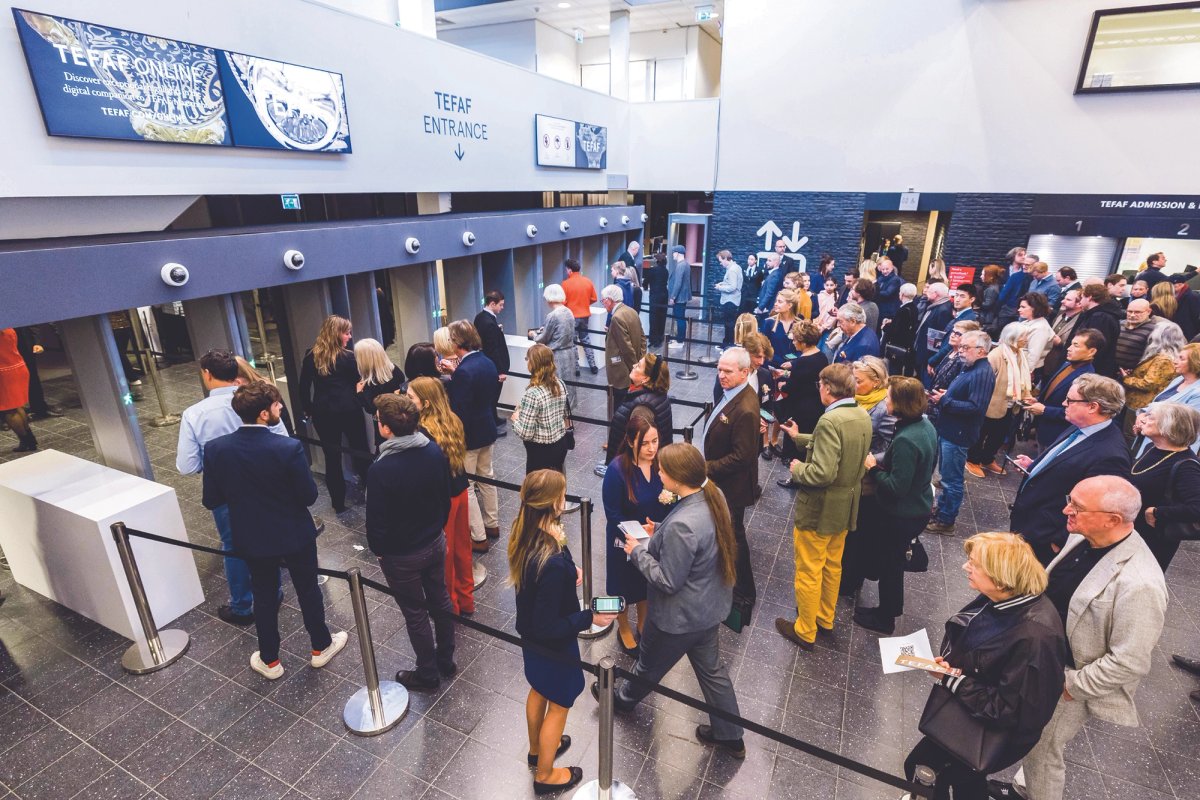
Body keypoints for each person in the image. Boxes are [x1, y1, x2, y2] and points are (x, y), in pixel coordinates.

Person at [997, 476, 1167, 800]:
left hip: (1068, 681)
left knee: (1043, 754)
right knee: (1032, 743)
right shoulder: (1085, 536)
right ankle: (1022, 788)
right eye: (1070, 499)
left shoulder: (1141, 583)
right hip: (1040, 662)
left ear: (1112, 520)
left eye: (1077, 506)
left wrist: (1069, 686)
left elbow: (1129, 660)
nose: (1066, 510)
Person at [605, 443, 746, 758]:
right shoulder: (713, 496)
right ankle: (730, 735)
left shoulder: (683, 523)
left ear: (679, 477)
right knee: (712, 672)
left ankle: (622, 700)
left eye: (663, 470)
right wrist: (660, 533)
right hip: (708, 610)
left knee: (647, 665)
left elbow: (667, 581)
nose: (658, 472)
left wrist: (637, 551)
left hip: (678, 618)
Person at [201, 382, 348, 680]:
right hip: (294, 532)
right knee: (308, 589)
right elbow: (308, 496)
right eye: (278, 405)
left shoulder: (216, 449)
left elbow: (211, 499)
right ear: (265, 413)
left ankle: (269, 660)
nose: (282, 408)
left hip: (252, 535)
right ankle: (320, 646)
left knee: (264, 594)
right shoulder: (288, 447)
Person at [905, 533, 1067, 800]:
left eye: (974, 563)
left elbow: (1008, 709)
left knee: (929, 767)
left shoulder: (1035, 637)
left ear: (1000, 575)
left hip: (988, 730)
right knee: (962, 779)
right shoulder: (1004, 599)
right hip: (973, 712)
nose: (965, 567)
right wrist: (951, 667)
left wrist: (952, 679)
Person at [511, 470, 616, 795]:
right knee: (558, 705)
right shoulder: (551, 561)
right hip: (552, 646)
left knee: (538, 690)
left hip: (530, 639)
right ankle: (545, 774)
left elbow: (539, 594)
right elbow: (550, 626)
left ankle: (536, 750)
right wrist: (589, 616)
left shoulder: (525, 532)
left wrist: (570, 572)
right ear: (554, 502)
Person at [178, 348, 288, 625]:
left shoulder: (194, 414)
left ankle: (243, 606)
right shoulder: (258, 401)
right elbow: (283, 441)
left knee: (234, 546)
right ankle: (272, 594)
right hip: (267, 486)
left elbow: (187, 466)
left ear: (207, 374)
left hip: (228, 492)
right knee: (269, 538)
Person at [775, 364, 872, 649]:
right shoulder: (860, 414)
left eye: (820, 385)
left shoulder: (829, 421)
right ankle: (824, 618)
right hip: (845, 507)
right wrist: (798, 437)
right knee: (832, 565)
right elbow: (842, 449)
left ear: (827, 388)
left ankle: (805, 629)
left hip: (820, 508)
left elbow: (822, 473)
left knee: (808, 568)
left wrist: (797, 468)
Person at [366, 393, 456, 691]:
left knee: (415, 613)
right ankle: (446, 659)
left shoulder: (381, 468)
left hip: (401, 554)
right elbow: (445, 499)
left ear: (387, 429)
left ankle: (428, 673)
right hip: (434, 540)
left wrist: (379, 552)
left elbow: (376, 520)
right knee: (440, 600)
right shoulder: (432, 451)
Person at [1010, 374, 1132, 565]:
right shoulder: (1080, 425)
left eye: (1070, 400)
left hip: (1044, 539)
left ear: (1093, 407)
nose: (1064, 403)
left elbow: (1099, 509)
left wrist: (1058, 540)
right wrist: (1035, 466)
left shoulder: (1111, 455)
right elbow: (1066, 463)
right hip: (1029, 525)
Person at [850, 377, 937, 634]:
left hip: (901, 514)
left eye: (888, 398)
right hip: (918, 506)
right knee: (892, 562)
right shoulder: (925, 425)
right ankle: (886, 609)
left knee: (891, 565)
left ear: (901, 403)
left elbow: (895, 487)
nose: (885, 401)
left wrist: (873, 468)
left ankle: (885, 617)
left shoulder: (906, 440)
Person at [407, 377, 475, 616]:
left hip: (442, 501)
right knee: (462, 550)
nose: (407, 401)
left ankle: (451, 607)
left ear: (425, 403)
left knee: (444, 557)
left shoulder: (422, 433)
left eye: (410, 397)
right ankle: (466, 600)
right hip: (460, 490)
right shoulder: (453, 419)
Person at [603, 414, 669, 656]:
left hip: (652, 537)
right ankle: (623, 627)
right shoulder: (617, 470)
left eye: (655, 441)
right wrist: (639, 535)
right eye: (645, 443)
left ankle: (643, 622)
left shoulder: (659, 464)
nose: (652, 448)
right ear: (631, 442)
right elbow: (613, 513)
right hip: (624, 539)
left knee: (646, 581)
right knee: (623, 584)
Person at [703, 348, 761, 617]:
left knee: (735, 537)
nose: (721, 375)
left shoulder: (746, 408)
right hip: (725, 484)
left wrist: (706, 468)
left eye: (727, 371)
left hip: (733, 488)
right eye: (719, 369)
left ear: (744, 372)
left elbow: (742, 456)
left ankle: (744, 592)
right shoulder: (735, 394)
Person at [298, 315, 371, 513]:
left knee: (332, 458)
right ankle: (370, 492)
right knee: (360, 451)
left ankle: (337, 503)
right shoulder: (348, 357)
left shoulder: (310, 355)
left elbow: (303, 387)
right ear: (337, 334)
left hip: (323, 413)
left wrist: (309, 409)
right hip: (350, 410)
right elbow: (359, 382)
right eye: (346, 333)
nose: (349, 336)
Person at [925, 330, 996, 536]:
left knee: (952, 480)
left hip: (958, 434)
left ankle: (946, 520)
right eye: (961, 346)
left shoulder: (982, 372)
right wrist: (949, 393)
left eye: (966, 348)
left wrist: (945, 400)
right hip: (950, 429)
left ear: (981, 351)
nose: (961, 351)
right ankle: (942, 511)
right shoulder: (971, 367)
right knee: (947, 477)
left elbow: (976, 407)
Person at [441, 320, 501, 552]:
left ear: (457, 342)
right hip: (487, 428)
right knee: (488, 478)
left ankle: (478, 536)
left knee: (468, 485)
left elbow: (459, 410)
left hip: (469, 437)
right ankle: (492, 524)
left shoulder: (465, 372)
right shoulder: (486, 362)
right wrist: (457, 374)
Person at [1128, 402, 1200, 571]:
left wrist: (1156, 512)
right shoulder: (1150, 447)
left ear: (1169, 426)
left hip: (1151, 540)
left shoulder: (1186, 465)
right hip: (1130, 530)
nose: (1143, 419)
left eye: (1150, 416)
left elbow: (1197, 508)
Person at [967, 323, 1032, 478]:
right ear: (1013, 337)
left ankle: (987, 459)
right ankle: (972, 460)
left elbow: (1022, 377)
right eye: (1023, 336)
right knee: (982, 433)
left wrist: (1026, 395)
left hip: (1010, 404)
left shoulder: (1020, 354)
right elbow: (985, 380)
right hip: (991, 403)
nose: (1026, 339)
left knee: (998, 435)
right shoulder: (996, 355)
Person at [1025, 329, 1102, 450]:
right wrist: (1037, 400)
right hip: (1043, 428)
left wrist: (1045, 410)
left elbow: (1076, 412)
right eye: (1071, 344)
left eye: (1076, 345)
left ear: (1091, 351)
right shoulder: (1067, 364)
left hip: (1056, 434)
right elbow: (1053, 391)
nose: (1069, 348)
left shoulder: (1087, 378)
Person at [775, 320, 828, 486]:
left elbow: (793, 386)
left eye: (795, 339)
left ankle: (796, 477)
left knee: (797, 441)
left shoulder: (803, 362)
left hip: (802, 408)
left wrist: (783, 384)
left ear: (803, 342)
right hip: (815, 404)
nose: (793, 342)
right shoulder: (821, 356)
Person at [511, 344, 570, 474]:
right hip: (560, 444)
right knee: (555, 486)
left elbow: (526, 433)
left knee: (538, 490)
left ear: (533, 363)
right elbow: (564, 414)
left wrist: (515, 419)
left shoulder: (532, 393)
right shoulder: (560, 384)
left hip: (540, 452)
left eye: (527, 359)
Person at [606, 353, 672, 465]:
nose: (633, 365)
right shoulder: (658, 394)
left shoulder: (642, 408)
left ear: (645, 378)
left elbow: (639, 448)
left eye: (638, 366)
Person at [1121, 320, 1184, 436]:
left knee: (1131, 435)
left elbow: (1149, 383)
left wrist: (1126, 378)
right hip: (1142, 403)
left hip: (1141, 404)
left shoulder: (1163, 359)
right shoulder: (1169, 356)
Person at [1140, 342, 1200, 453]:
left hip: (1172, 447)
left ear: (1195, 363)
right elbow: (1159, 403)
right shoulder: (1178, 380)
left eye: (1181, 359)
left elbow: (1187, 424)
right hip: (1154, 440)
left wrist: (1147, 417)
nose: (1175, 361)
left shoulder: (1198, 392)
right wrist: (1142, 414)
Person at [531, 283, 578, 407]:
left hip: (556, 355)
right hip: (569, 353)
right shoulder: (569, 312)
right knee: (569, 387)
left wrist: (533, 335)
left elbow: (543, 338)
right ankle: (568, 418)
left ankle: (559, 415)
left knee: (557, 387)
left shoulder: (552, 315)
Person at [601, 283, 646, 411]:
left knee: (620, 408)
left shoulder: (616, 318)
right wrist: (640, 362)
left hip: (621, 373)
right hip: (631, 369)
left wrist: (635, 369)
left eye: (603, 300)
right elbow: (643, 339)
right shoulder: (631, 311)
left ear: (610, 300)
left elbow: (626, 348)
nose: (603, 303)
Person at [353, 337, 406, 445]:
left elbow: (371, 409)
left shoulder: (371, 382)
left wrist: (359, 393)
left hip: (384, 426)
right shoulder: (395, 371)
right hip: (401, 421)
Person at [474, 290, 511, 432]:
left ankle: (494, 418)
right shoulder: (489, 323)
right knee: (492, 397)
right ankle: (491, 426)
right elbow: (493, 349)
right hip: (493, 367)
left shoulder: (480, 317)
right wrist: (500, 371)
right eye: (500, 305)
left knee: (492, 397)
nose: (502, 308)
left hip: (487, 364)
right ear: (492, 303)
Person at [926, 284, 978, 379]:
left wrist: (933, 361)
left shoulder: (968, 320)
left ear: (972, 299)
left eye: (962, 296)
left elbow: (951, 345)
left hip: (949, 363)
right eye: (956, 295)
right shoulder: (960, 316)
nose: (957, 299)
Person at [0, 329, 37, 453]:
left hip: (4, 373)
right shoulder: (9, 328)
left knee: (8, 411)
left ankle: (25, 441)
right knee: (17, 406)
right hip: (18, 367)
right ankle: (30, 439)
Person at [1074, 284, 1122, 378]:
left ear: (1089, 297)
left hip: (1092, 370)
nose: (1080, 301)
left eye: (1083, 297)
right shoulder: (1097, 315)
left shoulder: (1100, 318)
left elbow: (1096, 346)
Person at [15, 326, 61, 420]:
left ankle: (39, 408)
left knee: (32, 376)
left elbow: (30, 321)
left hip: (22, 342)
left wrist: (37, 342)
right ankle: (6, 416)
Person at [562, 258, 598, 375]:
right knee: (586, 340)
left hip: (571, 317)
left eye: (567, 269)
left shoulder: (565, 284)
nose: (566, 272)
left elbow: (563, 302)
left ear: (570, 270)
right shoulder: (588, 281)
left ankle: (576, 369)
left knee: (573, 343)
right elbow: (594, 298)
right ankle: (593, 366)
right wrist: (584, 304)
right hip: (585, 316)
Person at [914, 282, 953, 381]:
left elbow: (939, 337)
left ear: (935, 294)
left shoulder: (943, 310)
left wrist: (931, 361)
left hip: (929, 356)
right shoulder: (936, 306)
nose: (925, 291)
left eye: (929, 290)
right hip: (925, 352)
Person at [1042, 288, 1084, 377]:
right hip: (1047, 362)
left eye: (1068, 300)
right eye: (1064, 298)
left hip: (1061, 365)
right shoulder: (1060, 316)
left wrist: (1060, 343)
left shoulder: (1081, 322)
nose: (1062, 301)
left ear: (1079, 303)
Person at [882, 282, 919, 376]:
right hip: (907, 345)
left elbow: (896, 330)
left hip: (898, 346)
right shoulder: (914, 307)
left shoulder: (903, 310)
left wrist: (885, 327)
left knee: (894, 370)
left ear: (902, 294)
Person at [759, 288, 801, 367]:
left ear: (789, 305)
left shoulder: (799, 324)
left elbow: (804, 349)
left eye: (780, 302)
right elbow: (763, 348)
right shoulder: (769, 322)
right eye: (776, 301)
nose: (775, 304)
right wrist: (780, 362)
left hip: (794, 367)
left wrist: (792, 363)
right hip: (772, 366)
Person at [1114, 298, 1157, 374]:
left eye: (1137, 312)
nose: (1132, 315)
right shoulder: (1119, 324)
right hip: (1113, 370)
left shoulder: (1154, 330)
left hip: (1134, 375)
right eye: (1130, 311)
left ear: (1148, 312)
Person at [1017, 291, 1054, 377]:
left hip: (1028, 370)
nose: (1019, 309)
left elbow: (1033, 356)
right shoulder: (1027, 322)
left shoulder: (1040, 328)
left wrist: (1025, 374)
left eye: (1023, 307)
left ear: (1034, 308)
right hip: (1020, 365)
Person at [713, 248, 744, 348]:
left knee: (729, 324)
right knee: (729, 324)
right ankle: (726, 343)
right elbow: (731, 283)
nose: (720, 263)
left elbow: (732, 287)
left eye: (721, 261)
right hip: (732, 300)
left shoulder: (732, 270)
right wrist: (722, 283)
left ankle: (728, 345)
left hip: (730, 301)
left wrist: (720, 288)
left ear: (726, 258)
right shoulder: (735, 267)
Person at [666, 245, 692, 348]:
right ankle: (680, 339)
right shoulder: (685, 264)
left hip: (680, 297)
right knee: (680, 318)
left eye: (674, 252)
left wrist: (673, 297)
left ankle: (680, 341)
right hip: (682, 296)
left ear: (678, 253)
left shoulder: (681, 265)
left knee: (680, 318)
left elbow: (678, 283)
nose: (672, 254)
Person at [646, 252, 670, 346]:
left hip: (655, 296)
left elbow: (646, 282)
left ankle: (653, 340)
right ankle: (660, 338)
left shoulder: (653, 270)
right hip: (664, 295)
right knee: (662, 318)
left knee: (653, 318)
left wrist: (644, 287)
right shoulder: (666, 271)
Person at [1168, 272, 1200, 340]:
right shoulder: (1175, 296)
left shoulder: (1192, 297)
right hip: (1179, 331)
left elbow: (1196, 316)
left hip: (1189, 333)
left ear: (1181, 285)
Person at [978, 264, 1006, 335]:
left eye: (983, 275)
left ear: (990, 277)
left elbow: (987, 305)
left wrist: (977, 303)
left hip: (988, 320)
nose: (981, 276)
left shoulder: (992, 289)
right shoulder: (994, 287)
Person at [875, 258, 902, 324]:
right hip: (880, 308)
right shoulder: (881, 278)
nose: (884, 271)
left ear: (892, 268)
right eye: (883, 269)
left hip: (889, 311)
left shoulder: (895, 279)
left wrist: (875, 292)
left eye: (887, 269)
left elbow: (888, 293)